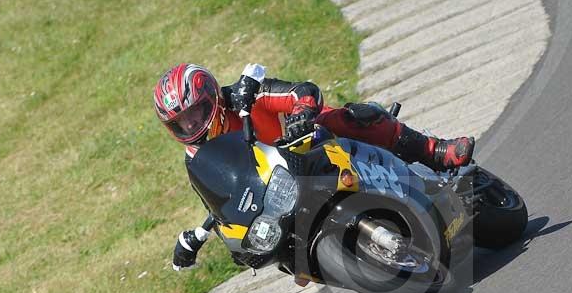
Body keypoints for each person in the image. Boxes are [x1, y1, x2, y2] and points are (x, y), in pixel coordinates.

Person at [153, 63, 475, 271]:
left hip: (310, 150)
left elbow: (302, 92)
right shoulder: (196, 160)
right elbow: (220, 204)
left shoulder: (243, 97)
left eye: (196, 113)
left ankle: (435, 151)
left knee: (352, 117)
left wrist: (300, 116)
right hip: (278, 197)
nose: (193, 124)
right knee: (271, 250)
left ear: (212, 97)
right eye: (181, 122)